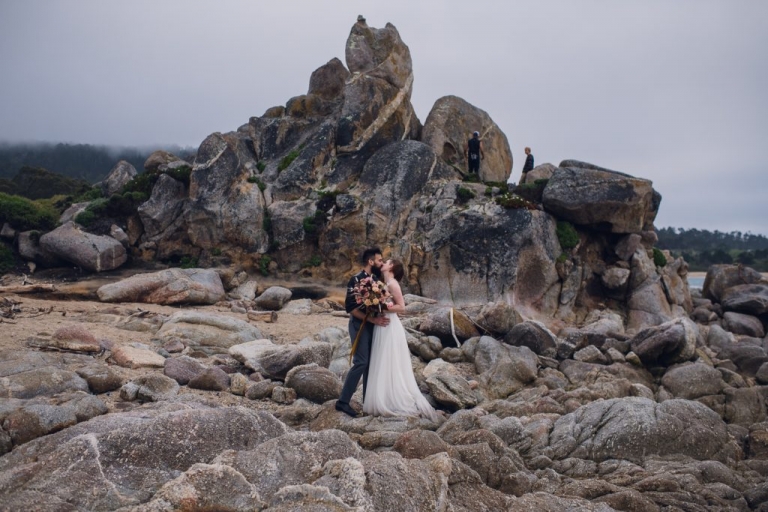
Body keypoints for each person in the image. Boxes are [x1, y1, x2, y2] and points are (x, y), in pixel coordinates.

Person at [363, 259, 438, 421]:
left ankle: (394, 399)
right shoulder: (384, 283)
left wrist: (383, 307)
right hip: (382, 325)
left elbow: (402, 307)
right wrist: (374, 305)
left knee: (390, 361)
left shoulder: (393, 284)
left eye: (387, 261)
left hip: (390, 326)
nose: (383, 262)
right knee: (382, 359)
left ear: (392, 267)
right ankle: (384, 397)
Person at [335, 247, 390, 417]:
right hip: (359, 325)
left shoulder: (375, 280)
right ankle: (342, 402)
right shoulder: (356, 279)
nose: (381, 263)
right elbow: (350, 308)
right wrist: (372, 319)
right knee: (361, 362)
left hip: (374, 325)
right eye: (379, 260)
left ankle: (369, 401)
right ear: (370, 261)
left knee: (371, 364)